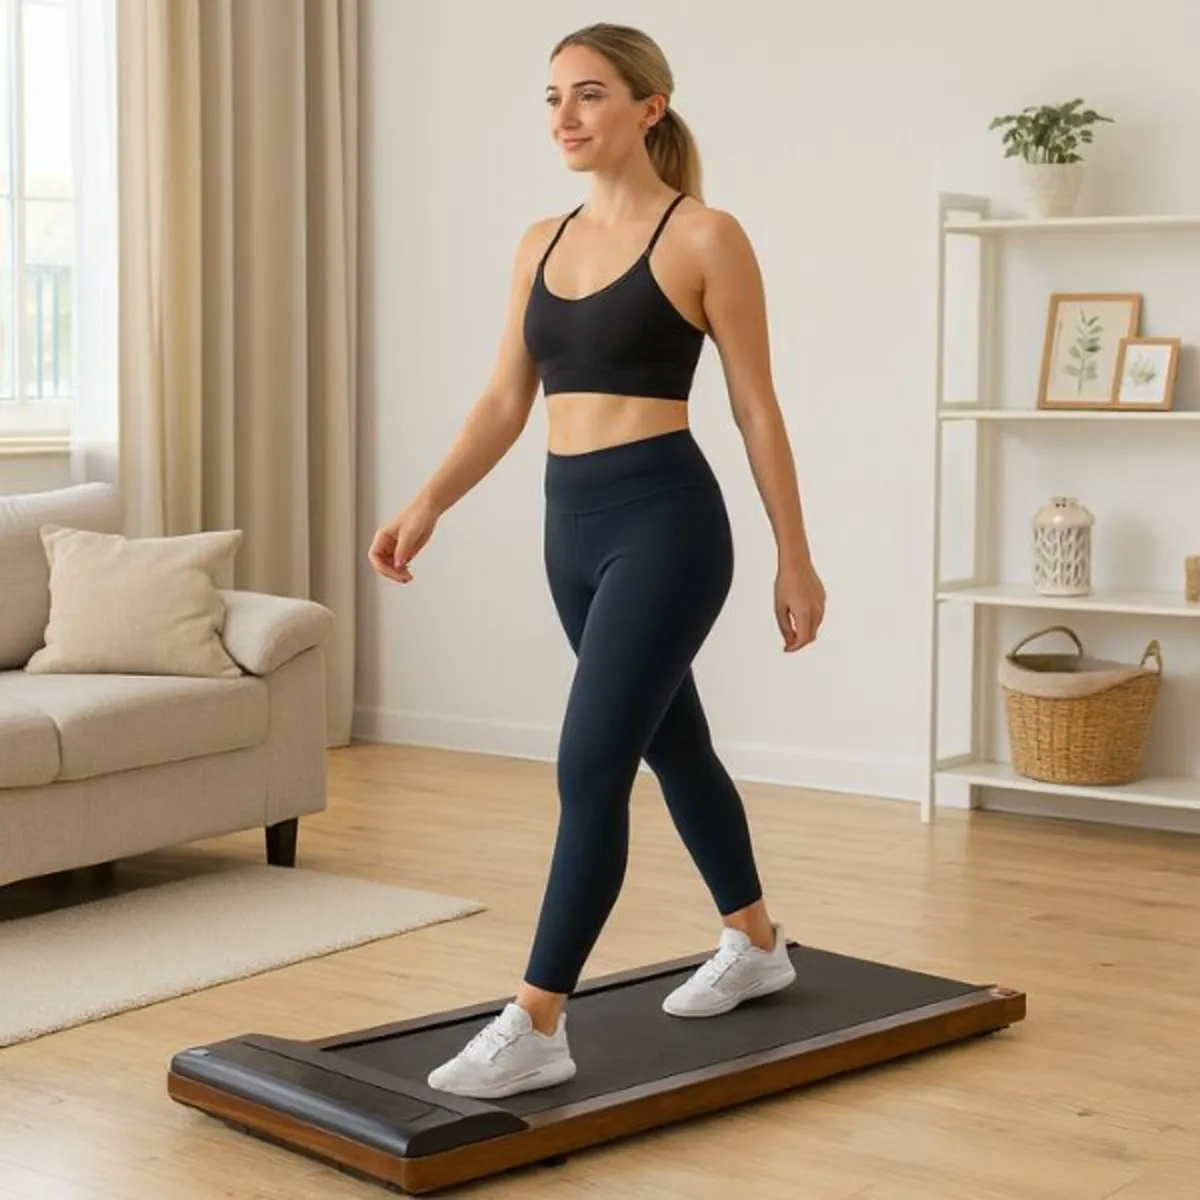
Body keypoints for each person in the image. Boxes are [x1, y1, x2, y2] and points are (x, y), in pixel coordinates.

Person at [368, 22, 825, 1100]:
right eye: (552, 99)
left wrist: (792, 559)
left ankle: (539, 1019)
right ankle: (757, 941)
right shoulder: (541, 239)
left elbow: (757, 408)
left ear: (648, 109)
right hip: (567, 527)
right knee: (677, 745)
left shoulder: (704, 236)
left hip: (666, 523)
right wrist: (427, 502)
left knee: (589, 766)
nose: (564, 118)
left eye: (589, 96)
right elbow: (502, 400)